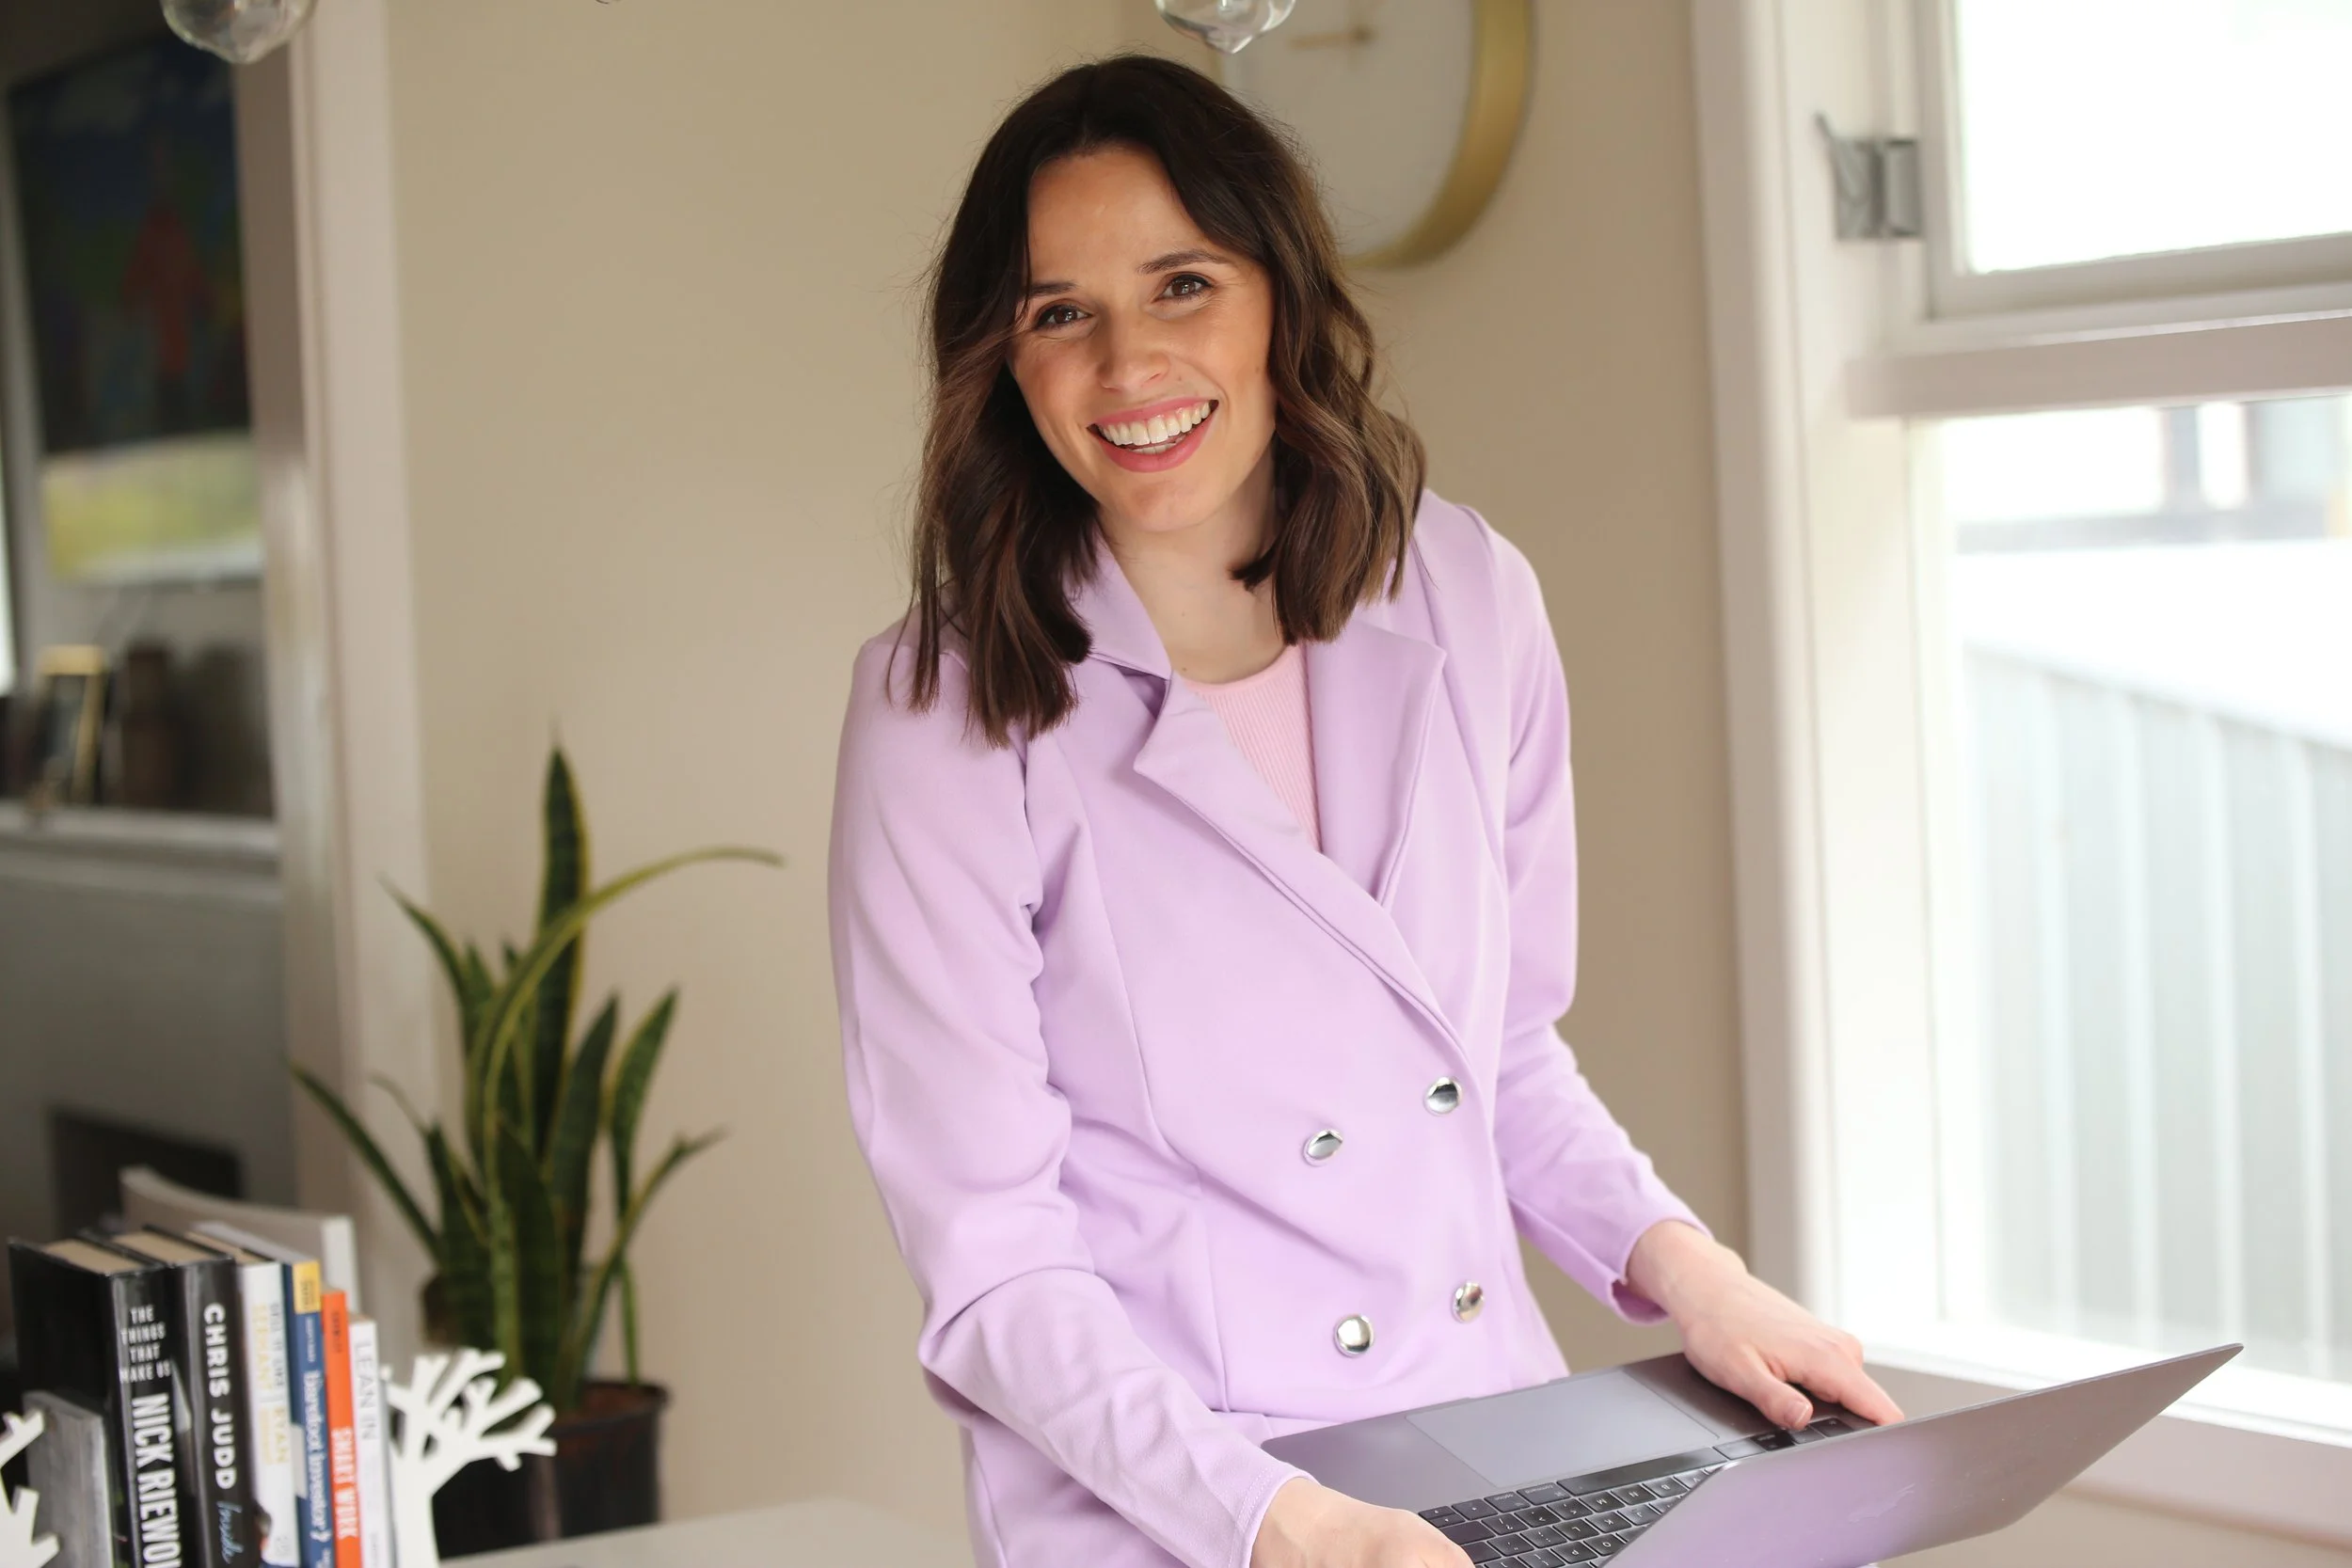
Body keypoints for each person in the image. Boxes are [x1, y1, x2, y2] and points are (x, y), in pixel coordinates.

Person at [827, 54, 1900, 1568]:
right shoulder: (944, 709)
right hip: (1186, 1501)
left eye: (1182, 283)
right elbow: (993, 1261)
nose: (1128, 364)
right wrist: (1286, 1525)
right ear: (1005, 362)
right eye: (1060, 313)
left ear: (1281, 298)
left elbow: (1502, 1058)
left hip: (1491, 1444)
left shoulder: (1469, 595)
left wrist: (1699, 1280)